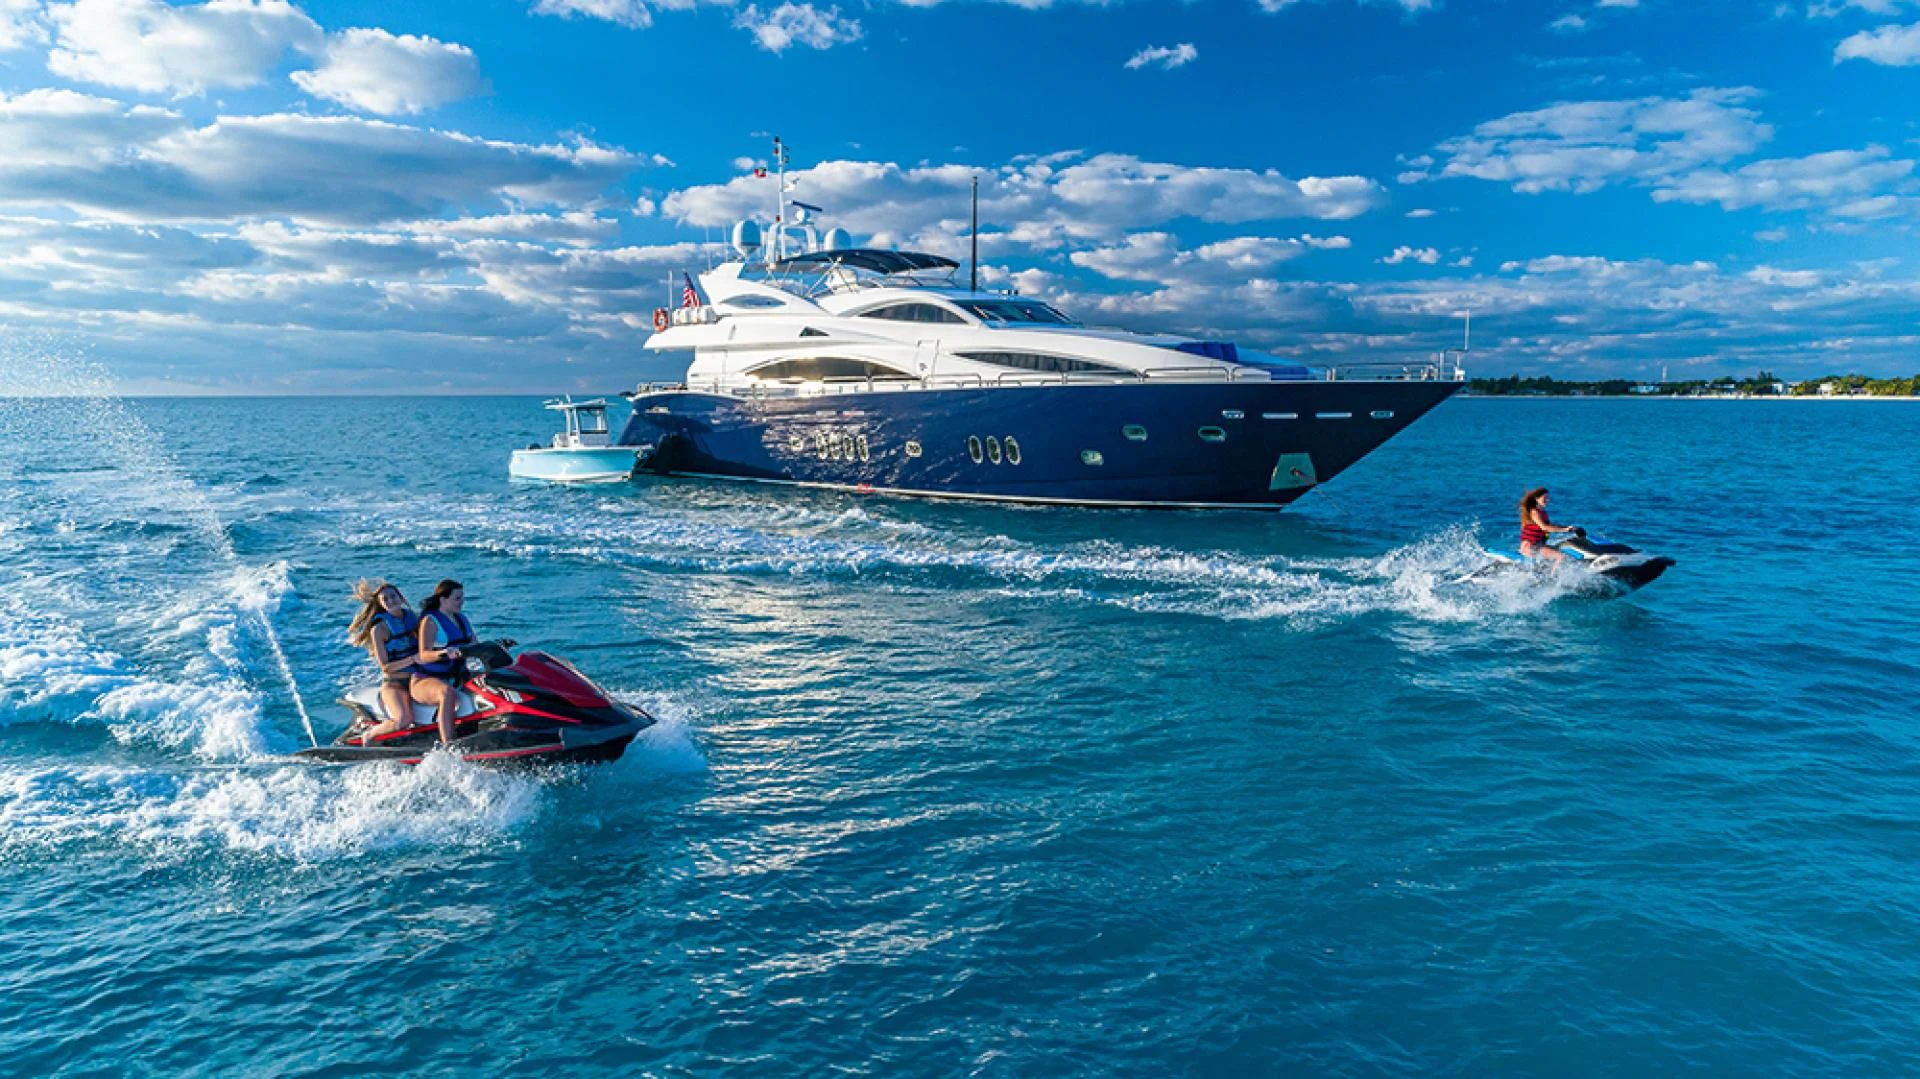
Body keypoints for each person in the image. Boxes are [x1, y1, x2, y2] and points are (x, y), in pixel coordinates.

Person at [346, 579, 420, 743]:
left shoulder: (413, 618)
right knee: (403, 719)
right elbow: (386, 667)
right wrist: (413, 658)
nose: (390, 601)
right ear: (381, 604)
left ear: (400, 598)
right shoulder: (379, 629)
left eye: (393, 596)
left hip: (419, 679)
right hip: (395, 684)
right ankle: (370, 734)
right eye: (385, 599)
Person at [411, 578, 475, 745]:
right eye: (457, 598)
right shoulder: (430, 621)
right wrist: (444, 653)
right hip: (424, 680)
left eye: (462, 598)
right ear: (443, 599)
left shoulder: (461, 619)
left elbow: (475, 645)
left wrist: (496, 645)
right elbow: (423, 655)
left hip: (458, 676)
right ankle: (449, 745)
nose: (462, 602)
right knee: (447, 694)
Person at [1519, 487, 1579, 562]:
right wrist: (1564, 529)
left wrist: (1569, 528)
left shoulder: (1543, 512)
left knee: (1565, 550)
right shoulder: (1534, 512)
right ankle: (1554, 574)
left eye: (1547, 498)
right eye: (1544, 498)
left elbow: (1550, 526)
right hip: (1531, 546)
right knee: (1560, 557)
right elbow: (1544, 527)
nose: (1547, 500)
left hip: (1538, 544)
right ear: (1537, 499)